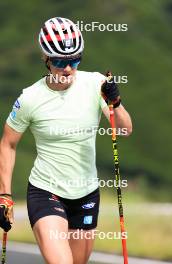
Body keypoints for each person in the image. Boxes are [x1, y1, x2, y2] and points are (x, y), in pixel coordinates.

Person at [0, 17, 132, 264]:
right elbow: (8, 143)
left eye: (74, 60)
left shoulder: (95, 84)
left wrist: (117, 102)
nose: (68, 68)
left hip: (86, 193)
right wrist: (4, 194)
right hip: (46, 191)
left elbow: (125, 131)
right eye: (60, 61)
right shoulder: (30, 98)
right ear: (46, 59)